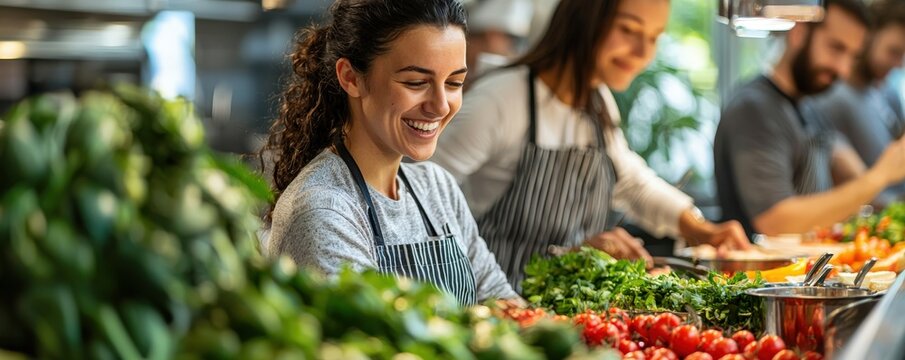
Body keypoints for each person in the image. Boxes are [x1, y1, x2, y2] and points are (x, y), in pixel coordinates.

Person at [431, 0, 750, 288]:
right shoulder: (500, 100)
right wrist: (575, 255)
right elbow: (421, 197)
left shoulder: (597, 102)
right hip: (497, 310)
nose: (643, 52)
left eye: (654, 37)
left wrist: (702, 230)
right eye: (628, 29)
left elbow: (633, 184)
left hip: (561, 313)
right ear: (584, 20)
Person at [260, 0, 519, 305]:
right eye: (416, 82)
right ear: (351, 78)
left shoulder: (437, 188)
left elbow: (501, 301)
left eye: (454, 83)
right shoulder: (325, 209)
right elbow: (369, 344)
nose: (440, 105)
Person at [715, 0, 905, 237]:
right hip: (763, 273)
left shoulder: (809, 107)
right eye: (836, 48)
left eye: (852, 56)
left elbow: (845, 163)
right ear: (798, 32)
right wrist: (880, 176)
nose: (843, 69)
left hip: (811, 271)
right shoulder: (754, 109)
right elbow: (775, 221)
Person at [810, 0, 905, 206]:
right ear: (868, 38)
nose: (899, 64)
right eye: (893, 52)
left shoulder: (887, 93)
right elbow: (843, 186)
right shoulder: (832, 99)